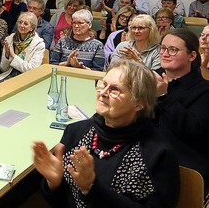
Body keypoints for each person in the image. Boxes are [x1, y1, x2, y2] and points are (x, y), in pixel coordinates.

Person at [33, 59, 180, 207]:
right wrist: (54, 183)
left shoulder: (158, 154)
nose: (102, 92)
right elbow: (62, 203)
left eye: (115, 89)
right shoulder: (76, 132)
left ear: (139, 103)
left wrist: (91, 187)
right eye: (103, 84)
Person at [154, 28, 209, 188]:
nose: (165, 54)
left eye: (173, 50)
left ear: (192, 56)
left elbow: (193, 130)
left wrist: (163, 97)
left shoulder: (204, 90)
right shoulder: (151, 77)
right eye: (163, 48)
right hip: (143, 153)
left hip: (181, 164)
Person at [0, 12, 45, 83]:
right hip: (9, 76)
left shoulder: (39, 44)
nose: (21, 25)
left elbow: (33, 70)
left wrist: (13, 55)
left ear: (32, 28)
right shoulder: (9, 39)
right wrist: (7, 56)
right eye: (20, 22)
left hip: (27, 79)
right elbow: (3, 69)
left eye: (25, 24)